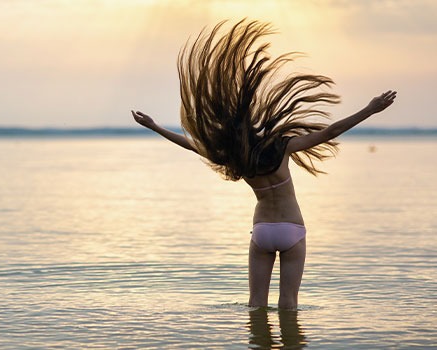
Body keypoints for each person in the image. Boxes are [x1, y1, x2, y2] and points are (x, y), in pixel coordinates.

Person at [131, 19, 396, 309]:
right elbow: (330, 132)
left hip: (262, 231)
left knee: (255, 304)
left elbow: (194, 146)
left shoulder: (236, 158)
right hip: (292, 230)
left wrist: (155, 127)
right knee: (289, 304)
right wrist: (370, 109)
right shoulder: (281, 148)